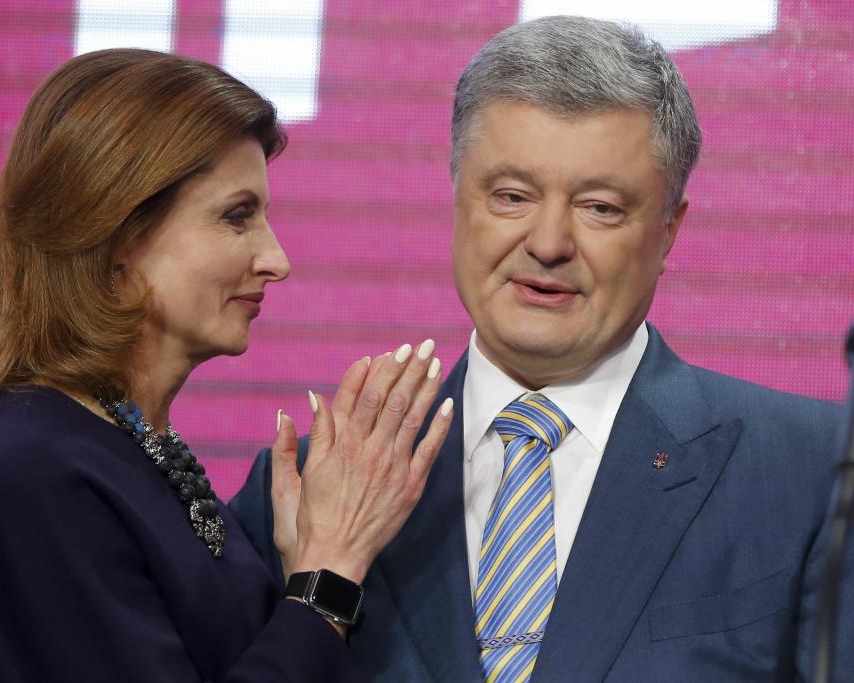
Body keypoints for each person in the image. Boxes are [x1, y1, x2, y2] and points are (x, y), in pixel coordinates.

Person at [232, 16, 852, 682]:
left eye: (600, 207)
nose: (549, 242)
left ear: (669, 230)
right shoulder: (310, 487)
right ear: (455, 200)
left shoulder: (810, 471)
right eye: (511, 196)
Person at [0, 48, 455, 682]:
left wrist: (306, 573)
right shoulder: (37, 475)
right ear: (114, 235)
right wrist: (330, 573)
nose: (276, 259)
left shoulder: (126, 450)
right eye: (236, 217)